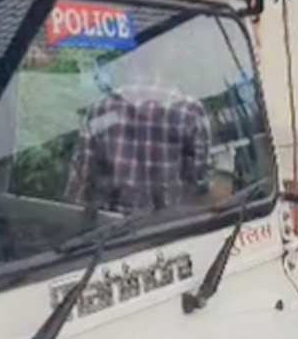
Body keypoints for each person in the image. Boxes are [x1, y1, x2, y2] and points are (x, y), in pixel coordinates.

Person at [64, 50, 213, 219]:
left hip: (112, 230)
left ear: (128, 61)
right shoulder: (190, 112)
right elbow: (201, 186)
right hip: (171, 228)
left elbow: (81, 187)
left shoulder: (100, 110)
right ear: (167, 59)